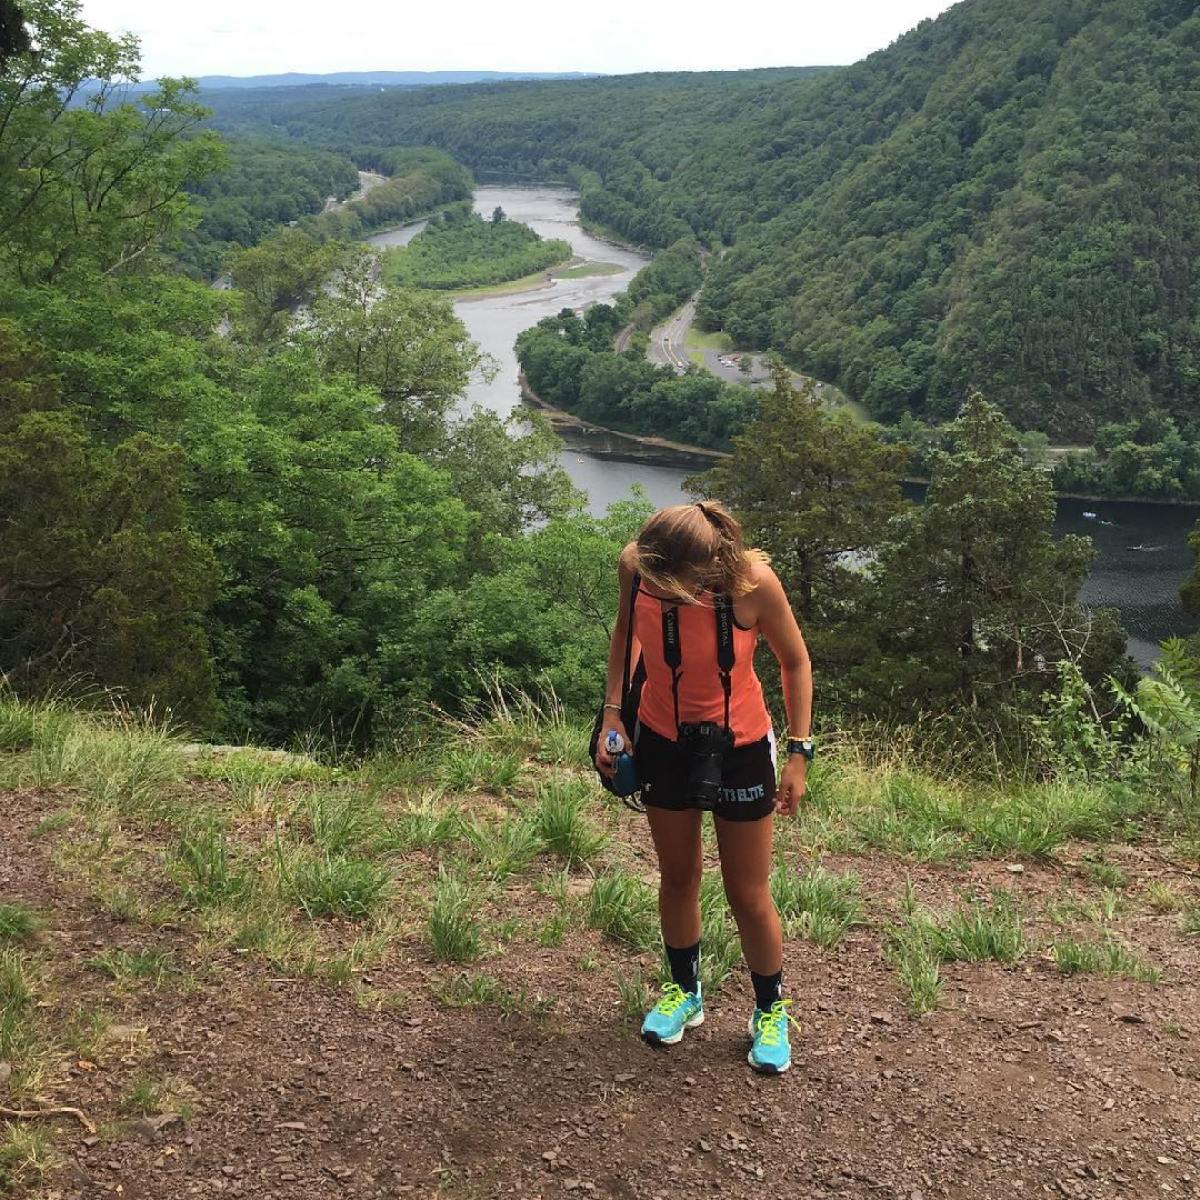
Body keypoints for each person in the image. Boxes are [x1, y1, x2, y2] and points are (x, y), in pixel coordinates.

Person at [596, 501, 813, 1074]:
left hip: (740, 747)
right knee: (678, 875)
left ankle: (770, 1010)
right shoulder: (637, 565)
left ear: (706, 568)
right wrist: (613, 714)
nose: (660, 592)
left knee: (748, 891)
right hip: (661, 738)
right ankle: (684, 991)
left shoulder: (753, 584)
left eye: (673, 586)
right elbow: (626, 634)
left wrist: (799, 753)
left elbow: (795, 662)